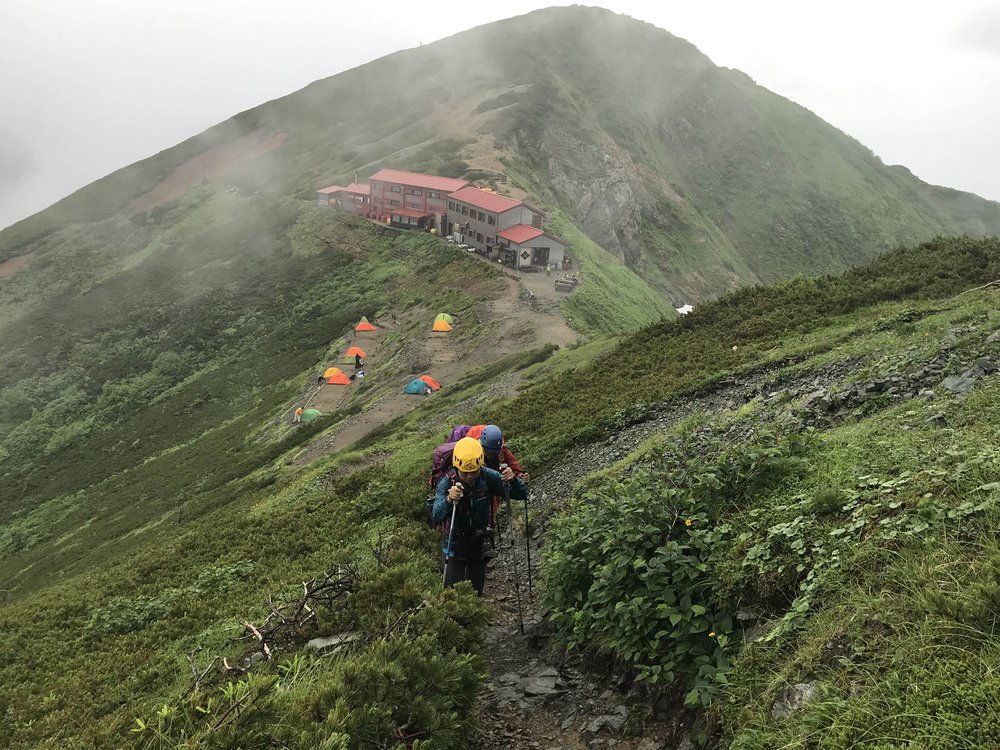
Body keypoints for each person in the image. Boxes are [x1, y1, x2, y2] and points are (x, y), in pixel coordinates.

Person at [432, 437, 526, 596]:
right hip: (454, 544)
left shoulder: (488, 476)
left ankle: (472, 618)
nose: (469, 477)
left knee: (476, 591)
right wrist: (448, 500)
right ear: (456, 467)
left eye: (474, 472)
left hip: (479, 542)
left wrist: (513, 481)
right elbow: (436, 514)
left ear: (481, 465)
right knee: (450, 593)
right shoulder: (447, 483)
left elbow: (521, 494)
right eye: (465, 473)